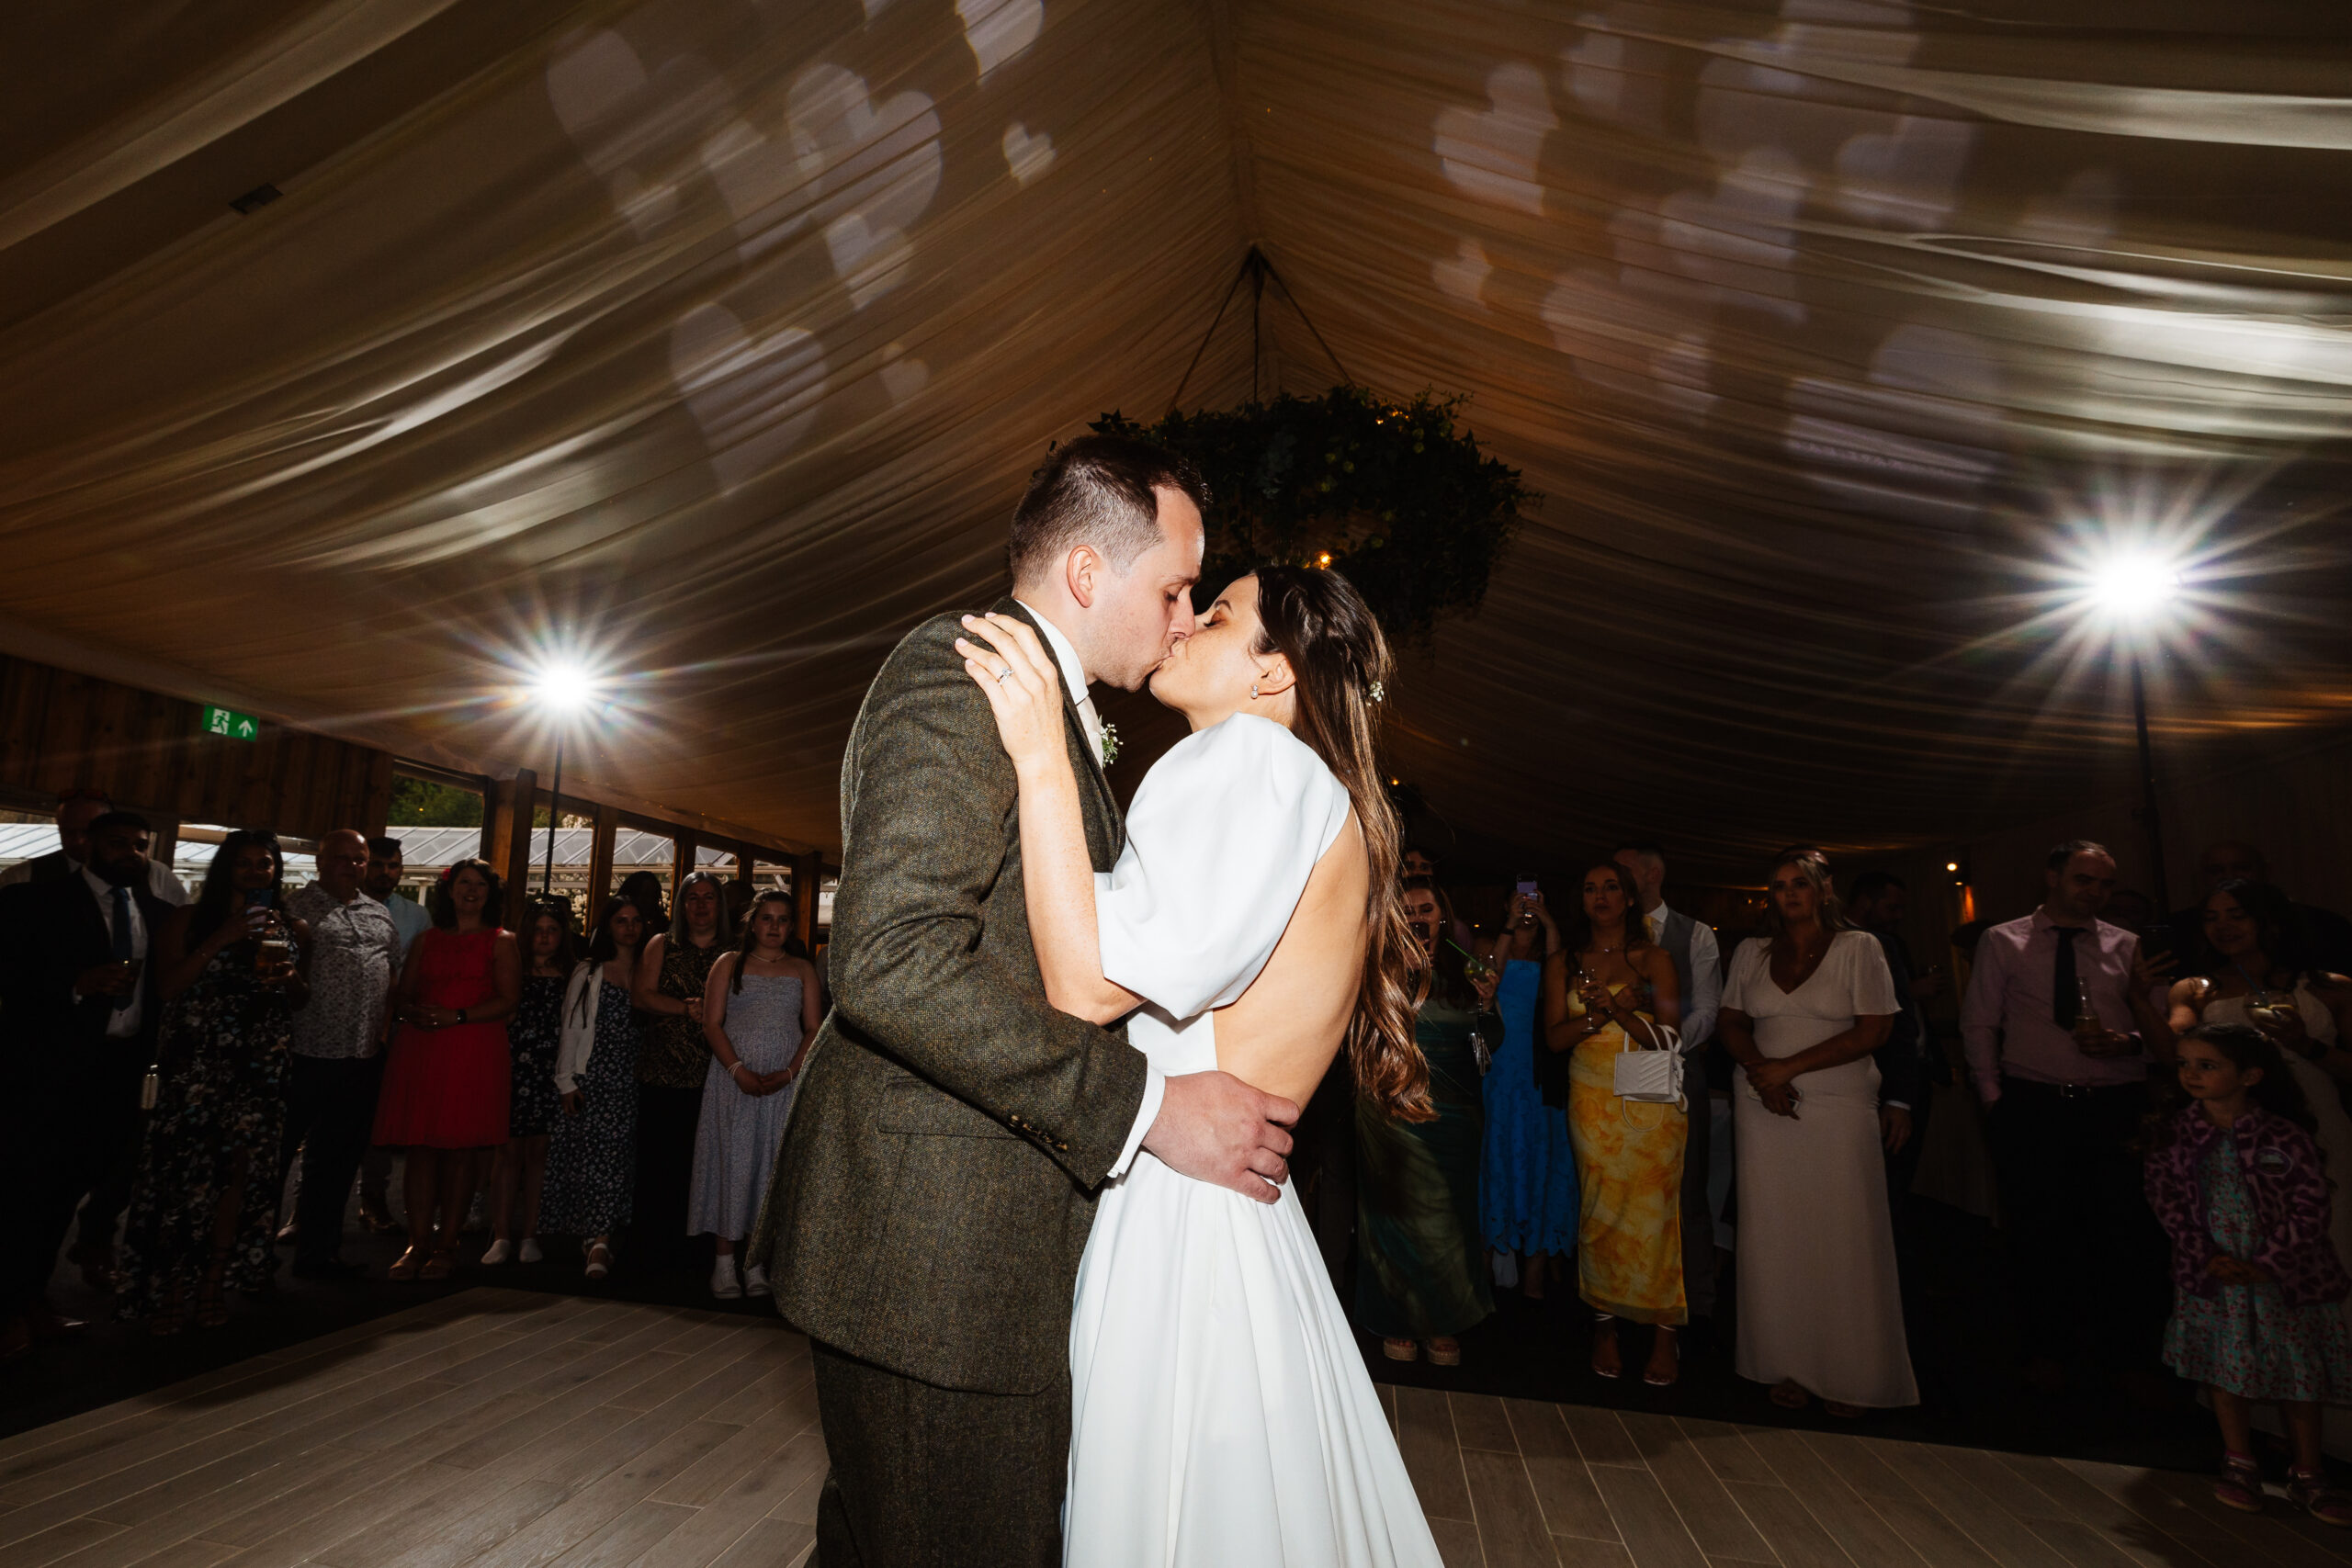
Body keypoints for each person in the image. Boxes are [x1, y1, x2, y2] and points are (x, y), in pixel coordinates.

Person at [749, 435, 1298, 1567]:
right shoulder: (961, 675)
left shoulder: (1047, 707)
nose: (1183, 615)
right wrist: (1148, 1106)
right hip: (930, 1257)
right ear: (1089, 576)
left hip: (975, 1252)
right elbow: (893, 960)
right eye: (1174, 587)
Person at [954, 560, 1445, 1565]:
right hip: (1219, 1200)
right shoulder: (1297, 787)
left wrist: (1042, 754)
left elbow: (1089, 989)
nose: (1182, 623)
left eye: (1217, 614)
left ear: (1275, 678)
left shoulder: (1252, 765)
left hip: (1182, 1211)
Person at [1961, 839, 2175, 1399]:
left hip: (2115, 1105)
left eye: (2104, 884)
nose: (2096, 893)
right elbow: (1979, 1022)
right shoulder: (2003, 940)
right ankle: (2046, 1350)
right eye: (2084, 880)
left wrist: (2124, 1042)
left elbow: (2165, 1038)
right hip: (2032, 1102)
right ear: (2052, 877)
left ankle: (2129, 1356)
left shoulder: (2129, 947)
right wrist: (1992, 1099)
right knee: (2038, 1232)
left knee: (2124, 1233)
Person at [1718, 849, 1916, 1415]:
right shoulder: (1753, 952)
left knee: (1842, 1233)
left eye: (1800, 883)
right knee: (1777, 1235)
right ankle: (1788, 1364)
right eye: (1779, 885)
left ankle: (1852, 1374)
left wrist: (1789, 1068)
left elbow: (1877, 1029)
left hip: (1835, 1103)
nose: (1789, 894)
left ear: (1825, 888)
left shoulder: (1861, 947)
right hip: (1762, 1103)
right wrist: (1762, 1071)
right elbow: (1731, 1019)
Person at [2144, 1024, 2352, 1523]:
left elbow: (2310, 1207)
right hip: (2217, 1276)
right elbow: (2166, 1201)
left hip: (2284, 1279)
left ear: (2251, 1075)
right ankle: (2239, 1462)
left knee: (2298, 1369)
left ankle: (2307, 1472)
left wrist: (2267, 1264)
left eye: (2207, 1065)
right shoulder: (2174, 1133)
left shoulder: (2283, 1135)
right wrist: (2205, 1256)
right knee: (2224, 1362)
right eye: (2185, 1064)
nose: (2192, 1074)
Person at [119, 830, 310, 1330]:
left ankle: (212, 1283)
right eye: (243, 863)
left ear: (275, 871)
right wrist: (221, 938)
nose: (253, 871)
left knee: (241, 1177)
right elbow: (167, 987)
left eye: (263, 864)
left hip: (261, 1065)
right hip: (200, 1066)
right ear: (225, 868)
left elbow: (300, 999)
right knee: (187, 1177)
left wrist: (289, 976)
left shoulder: (291, 927)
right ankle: (171, 1287)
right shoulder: (188, 920)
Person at [0, 812, 173, 1357]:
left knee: (72, 1190)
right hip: (51, 1068)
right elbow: (11, 977)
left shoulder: (158, 912)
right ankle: (9, 1309)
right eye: (118, 844)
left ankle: (35, 1299)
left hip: (120, 1069)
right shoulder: (39, 901)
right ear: (89, 846)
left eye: (140, 846)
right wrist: (74, 983)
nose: (131, 853)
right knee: (28, 1192)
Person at [1543, 857, 1685, 1385]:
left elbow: (1671, 1041)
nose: (1599, 896)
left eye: (1610, 888)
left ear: (1629, 898)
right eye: (1588, 888)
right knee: (1600, 1210)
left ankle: (1665, 1331)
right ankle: (1604, 1325)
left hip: (1650, 1100)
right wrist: (1598, 1014)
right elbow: (1555, 1038)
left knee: (1655, 1213)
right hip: (1592, 1099)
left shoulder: (1655, 958)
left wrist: (1624, 1011)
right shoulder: (1564, 962)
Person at [1359, 875, 1497, 1367]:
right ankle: (1397, 1320)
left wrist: (1485, 1002)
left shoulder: (1467, 970)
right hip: (1390, 1110)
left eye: (1426, 908)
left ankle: (1442, 1322)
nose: (1418, 918)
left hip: (1455, 1117)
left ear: (1443, 914)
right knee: (1395, 1215)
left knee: (1448, 1222)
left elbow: (1489, 1044)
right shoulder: (1377, 967)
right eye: (1408, 910)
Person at [372, 859, 521, 1280]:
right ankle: (417, 1244)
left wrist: (457, 1016)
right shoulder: (425, 939)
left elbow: (509, 999)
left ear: (490, 895)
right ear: (450, 890)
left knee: (459, 1152)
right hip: (424, 1049)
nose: (471, 891)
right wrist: (411, 1012)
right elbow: (402, 994)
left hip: (472, 1048)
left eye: (479, 885)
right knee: (420, 1149)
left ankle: (447, 1244)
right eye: (464, 884)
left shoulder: (501, 940)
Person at [277, 829, 401, 1280]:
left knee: (336, 1161)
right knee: (275, 1157)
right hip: (304, 1053)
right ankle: (245, 1256)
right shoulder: (292, 908)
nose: (352, 866)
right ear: (320, 860)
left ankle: (319, 1253)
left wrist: (383, 1035)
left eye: (360, 859)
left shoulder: (379, 914)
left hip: (360, 1058)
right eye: (341, 858)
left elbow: (391, 979)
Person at [689, 889, 820, 1298]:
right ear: (752, 921)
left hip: (783, 1084)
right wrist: (738, 1070)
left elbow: (815, 1027)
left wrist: (788, 1073)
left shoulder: (802, 969)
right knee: (733, 1163)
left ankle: (758, 1262)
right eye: (767, 918)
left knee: (770, 1167)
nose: (775, 927)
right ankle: (724, 1265)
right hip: (733, 1083)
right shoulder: (730, 963)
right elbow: (712, 1024)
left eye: (783, 920)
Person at [1612, 840, 1722, 1323]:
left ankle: (1693, 1303)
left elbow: (1709, 1009)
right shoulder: (1606, 935)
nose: (1614, 880)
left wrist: (1667, 1041)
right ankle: (1624, 1296)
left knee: (1686, 1189)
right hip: (1612, 1077)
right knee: (1623, 1191)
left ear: (1652, 874)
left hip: (1678, 1072)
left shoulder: (1695, 934)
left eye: (1623, 870)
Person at [630, 868, 729, 1272]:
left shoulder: (735, 950)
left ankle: (701, 1254)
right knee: (661, 1163)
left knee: (706, 1165)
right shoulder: (662, 944)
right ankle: (656, 1252)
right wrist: (686, 1009)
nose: (701, 905)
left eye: (708, 897)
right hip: (664, 1071)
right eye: (693, 897)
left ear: (719, 905)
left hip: (716, 1072)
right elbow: (641, 996)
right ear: (681, 904)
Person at [1478, 886, 1574, 1299]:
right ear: (1506, 904)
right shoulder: (1487, 943)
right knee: (1495, 1158)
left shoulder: (1552, 955)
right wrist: (1510, 925)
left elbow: (1557, 982)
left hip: (1539, 1071)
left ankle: (1534, 1273)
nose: (1528, 908)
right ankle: (1484, 1273)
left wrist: (1550, 925)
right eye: (1520, 900)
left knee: (1541, 1161)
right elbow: (1488, 981)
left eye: (1537, 900)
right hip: (1498, 1069)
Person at [545, 897, 646, 1280]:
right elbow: (570, 1027)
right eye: (622, 921)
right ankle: (598, 1242)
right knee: (594, 1162)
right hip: (595, 1078)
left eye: (636, 920)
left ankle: (601, 1237)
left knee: (620, 1163)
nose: (630, 927)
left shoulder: (647, 969)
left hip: (633, 1080)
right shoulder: (589, 971)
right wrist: (566, 1080)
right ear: (607, 926)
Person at [1847, 871, 1944, 1213]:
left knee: (1901, 1175)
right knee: (1877, 1182)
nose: (1899, 917)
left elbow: (1905, 1020)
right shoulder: (1840, 940)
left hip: (1911, 1073)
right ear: (1864, 903)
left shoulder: (1892, 942)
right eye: (1892, 908)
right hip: (1872, 1078)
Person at [483, 899, 574, 1265]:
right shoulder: (511, 970)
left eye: (552, 930)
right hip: (510, 1068)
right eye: (538, 930)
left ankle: (530, 1234)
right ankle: (501, 1233)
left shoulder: (571, 975)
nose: (544, 937)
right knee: (506, 1154)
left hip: (550, 1073)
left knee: (539, 1155)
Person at [356, 836, 431, 1233]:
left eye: (393, 866)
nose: (386, 873)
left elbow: (423, 974)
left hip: (395, 1029)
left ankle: (374, 1199)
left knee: (381, 1117)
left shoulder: (416, 917)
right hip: (343, 1023)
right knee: (330, 1116)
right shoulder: (342, 907)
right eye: (378, 865)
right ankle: (305, 1206)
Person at [2171, 840, 2352, 976]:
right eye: (2216, 871)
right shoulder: (2181, 927)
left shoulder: (2322, 923)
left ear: (2265, 870)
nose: (2229, 876)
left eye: (2241, 868)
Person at [0, 788, 191, 905]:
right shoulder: (22, 877)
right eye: (68, 832)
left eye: (86, 832)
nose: (78, 841)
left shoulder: (157, 875)